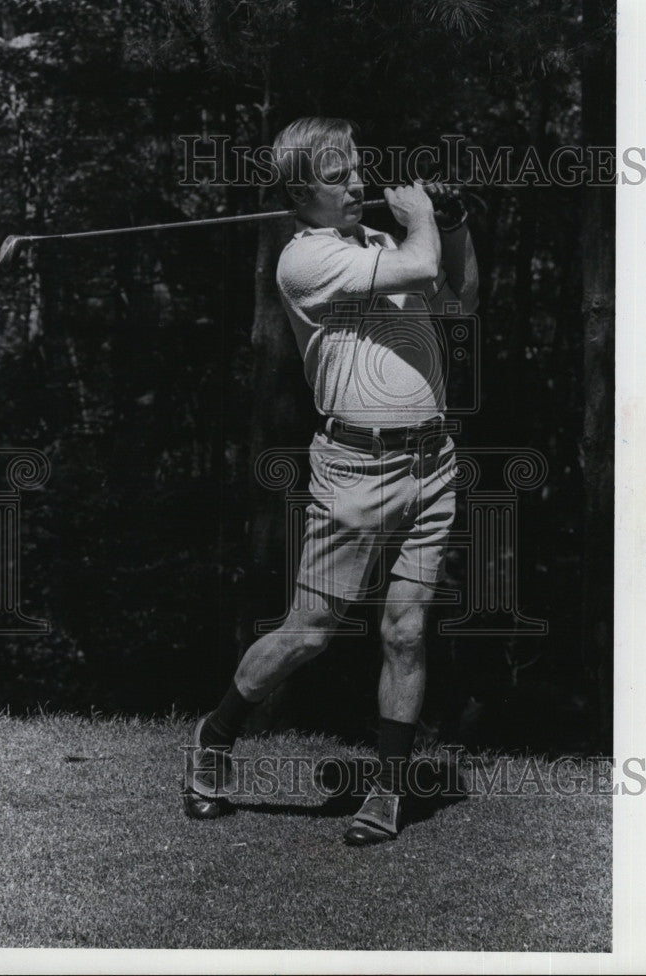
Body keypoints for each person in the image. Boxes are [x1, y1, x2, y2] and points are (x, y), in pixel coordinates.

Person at [184, 116, 479, 845]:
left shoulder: (379, 243)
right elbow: (418, 267)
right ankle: (213, 737)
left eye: (357, 167)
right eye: (336, 174)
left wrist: (457, 223)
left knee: (405, 631)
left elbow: (457, 298)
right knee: (308, 634)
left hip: (431, 463)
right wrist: (421, 220)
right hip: (355, 472)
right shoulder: (304, 260)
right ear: (296, 193)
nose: (357, 183)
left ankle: (384, 791)